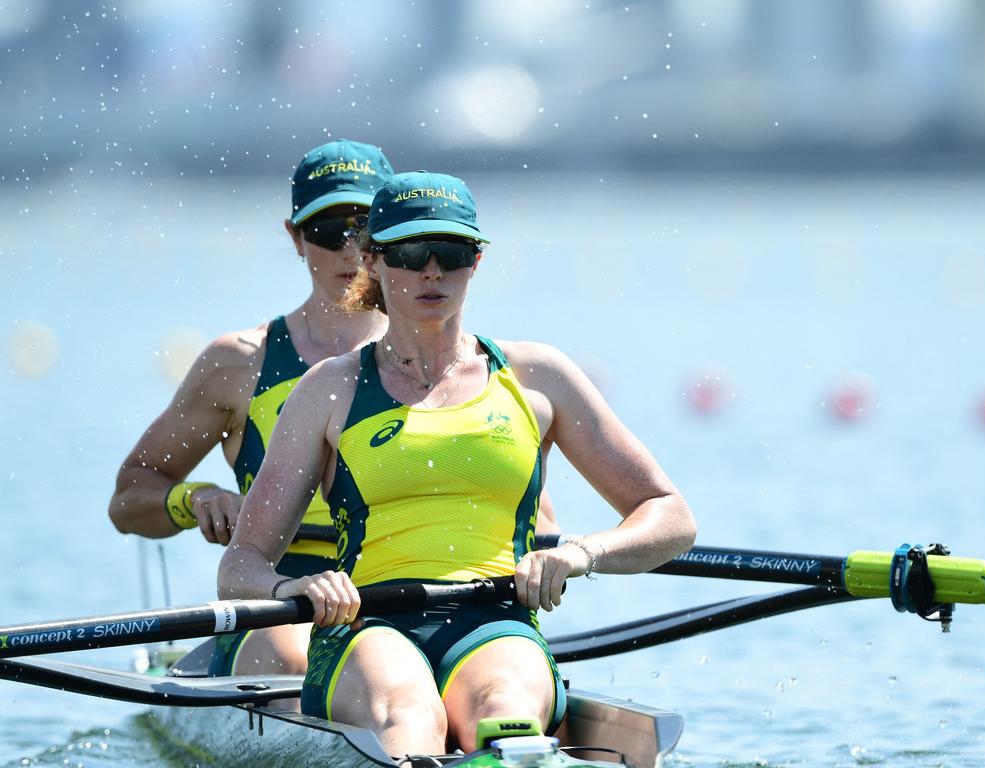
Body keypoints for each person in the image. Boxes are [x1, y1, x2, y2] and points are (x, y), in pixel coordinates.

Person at [218, 170, 697, 754]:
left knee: (505, 712)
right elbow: (240, 564)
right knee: (411, 718)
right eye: (411, 252)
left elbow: (670, 515)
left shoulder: (538, 378)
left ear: (478, 261)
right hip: (367, 624)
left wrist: (580, 554)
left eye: (450, 252)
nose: (432, 271)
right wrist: (294, 583)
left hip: (495, 618)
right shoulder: (329, 391)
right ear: (372, 261)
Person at [109, 138, 395, 677]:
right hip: (281, 602)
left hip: (409, 590)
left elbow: (534, 518)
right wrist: (193, 500)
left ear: (393, 237)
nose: (349, 250)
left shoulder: (449, 363)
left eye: (365, 228)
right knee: (293, 665)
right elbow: (129, 497)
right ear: (295, 238)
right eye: (328, 231)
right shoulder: (239, 364)